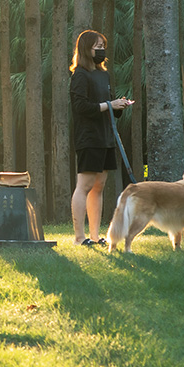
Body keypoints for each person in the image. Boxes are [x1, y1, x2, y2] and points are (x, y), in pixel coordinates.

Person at [69, 30, 134, 247]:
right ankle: (79, 238)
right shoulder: (79, 75)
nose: (101, 50)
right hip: (89, 137)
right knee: (85, 184)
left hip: (106, 137)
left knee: (99, 185)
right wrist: (108, 105)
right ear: (85, 49)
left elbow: (108, 106)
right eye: (97, 46)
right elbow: (80, 107)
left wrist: (119, 105)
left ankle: (95, 236)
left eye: (102, 45)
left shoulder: (103, 75)